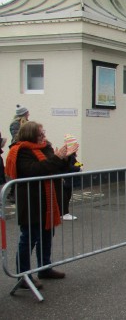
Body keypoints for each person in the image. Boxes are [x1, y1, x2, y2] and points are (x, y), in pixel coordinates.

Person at [5, 121, 79, 290]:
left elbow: (56, 168)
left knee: (47, 234)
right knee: (29, 238)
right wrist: (57, 157)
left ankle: (45, 268)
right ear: (30, 135)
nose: (43, 136)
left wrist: (67, 156)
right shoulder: (20, 151)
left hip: (48, 199)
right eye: (40, 134)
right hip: (31, 200)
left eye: (43, 133)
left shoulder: (46, 147)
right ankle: (23, 276)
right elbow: (35, 170)